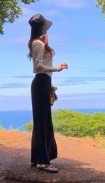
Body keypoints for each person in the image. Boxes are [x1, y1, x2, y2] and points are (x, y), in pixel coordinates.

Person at [28, 14, 68, 173]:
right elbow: (37, 68)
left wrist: (50, 86)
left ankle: (37, 159)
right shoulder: (37, 43)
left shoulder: (39, 43)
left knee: (41, 121)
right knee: (42, 122)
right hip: (40, 82)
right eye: (45, 27)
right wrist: (56, 68)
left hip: (43, 83)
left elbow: (43, 70)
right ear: (42, 28)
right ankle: (43, 162)